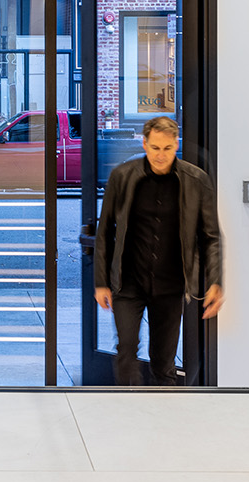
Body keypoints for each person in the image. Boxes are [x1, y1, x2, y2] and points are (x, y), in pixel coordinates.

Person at [93, 115, 224, 385]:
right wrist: (101, 282)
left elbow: (211, 236)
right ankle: (128, 415)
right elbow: (105, 231)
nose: (160, 155)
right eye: (155, 148)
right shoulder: (123, 176)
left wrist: (215, 282)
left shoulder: (196, 181)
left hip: (171, 285)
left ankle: (165, 421)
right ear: (144, 144)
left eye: (166, 148)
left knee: (164, 362)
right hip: (128, 284)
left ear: (176, 145)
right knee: (126, 351)